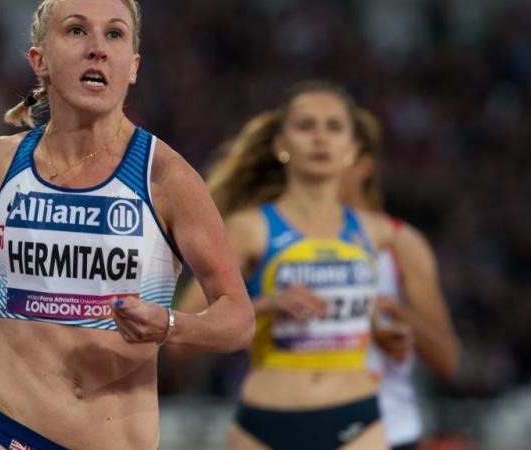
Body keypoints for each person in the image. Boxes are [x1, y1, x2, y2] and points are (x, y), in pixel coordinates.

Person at [0, 1, 255, 449]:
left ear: (133, 67)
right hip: (8, 432)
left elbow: (237, 316)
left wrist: (169, 324)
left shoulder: (165, 177)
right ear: (39, 60)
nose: (97, 49)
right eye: (75, 31)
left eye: (114, 34)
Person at [174, 80, 395, 450]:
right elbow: (181, 338)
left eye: (334, 127)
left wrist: (383, 332)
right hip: (266, 425)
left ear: (352, 150)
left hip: (358, 419)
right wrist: (267, 304)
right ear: (281, 146)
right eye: (306, 126)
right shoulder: (250, 229)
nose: (320, 138)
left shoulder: (375, 233)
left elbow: (348, 318)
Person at [339, 111, 460, 450]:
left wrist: (395, 310)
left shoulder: (399, 245)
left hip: (388, 433)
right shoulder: (279, 242)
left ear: (363, 164)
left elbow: (447, 359)